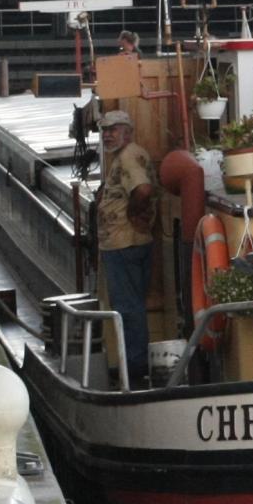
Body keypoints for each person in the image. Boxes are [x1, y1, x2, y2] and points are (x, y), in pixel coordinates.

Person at [94, 109, 157, 384]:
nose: (108, 135)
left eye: (114, 129)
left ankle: (135, 371)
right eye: (105, 130)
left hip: (123, 243)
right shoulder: (127, 155)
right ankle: (135, 366)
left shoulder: (128, 156)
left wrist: (132, 212)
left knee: (128, 308)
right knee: (132, 305)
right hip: (127, 241)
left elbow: (143, 190)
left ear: (128, 133)